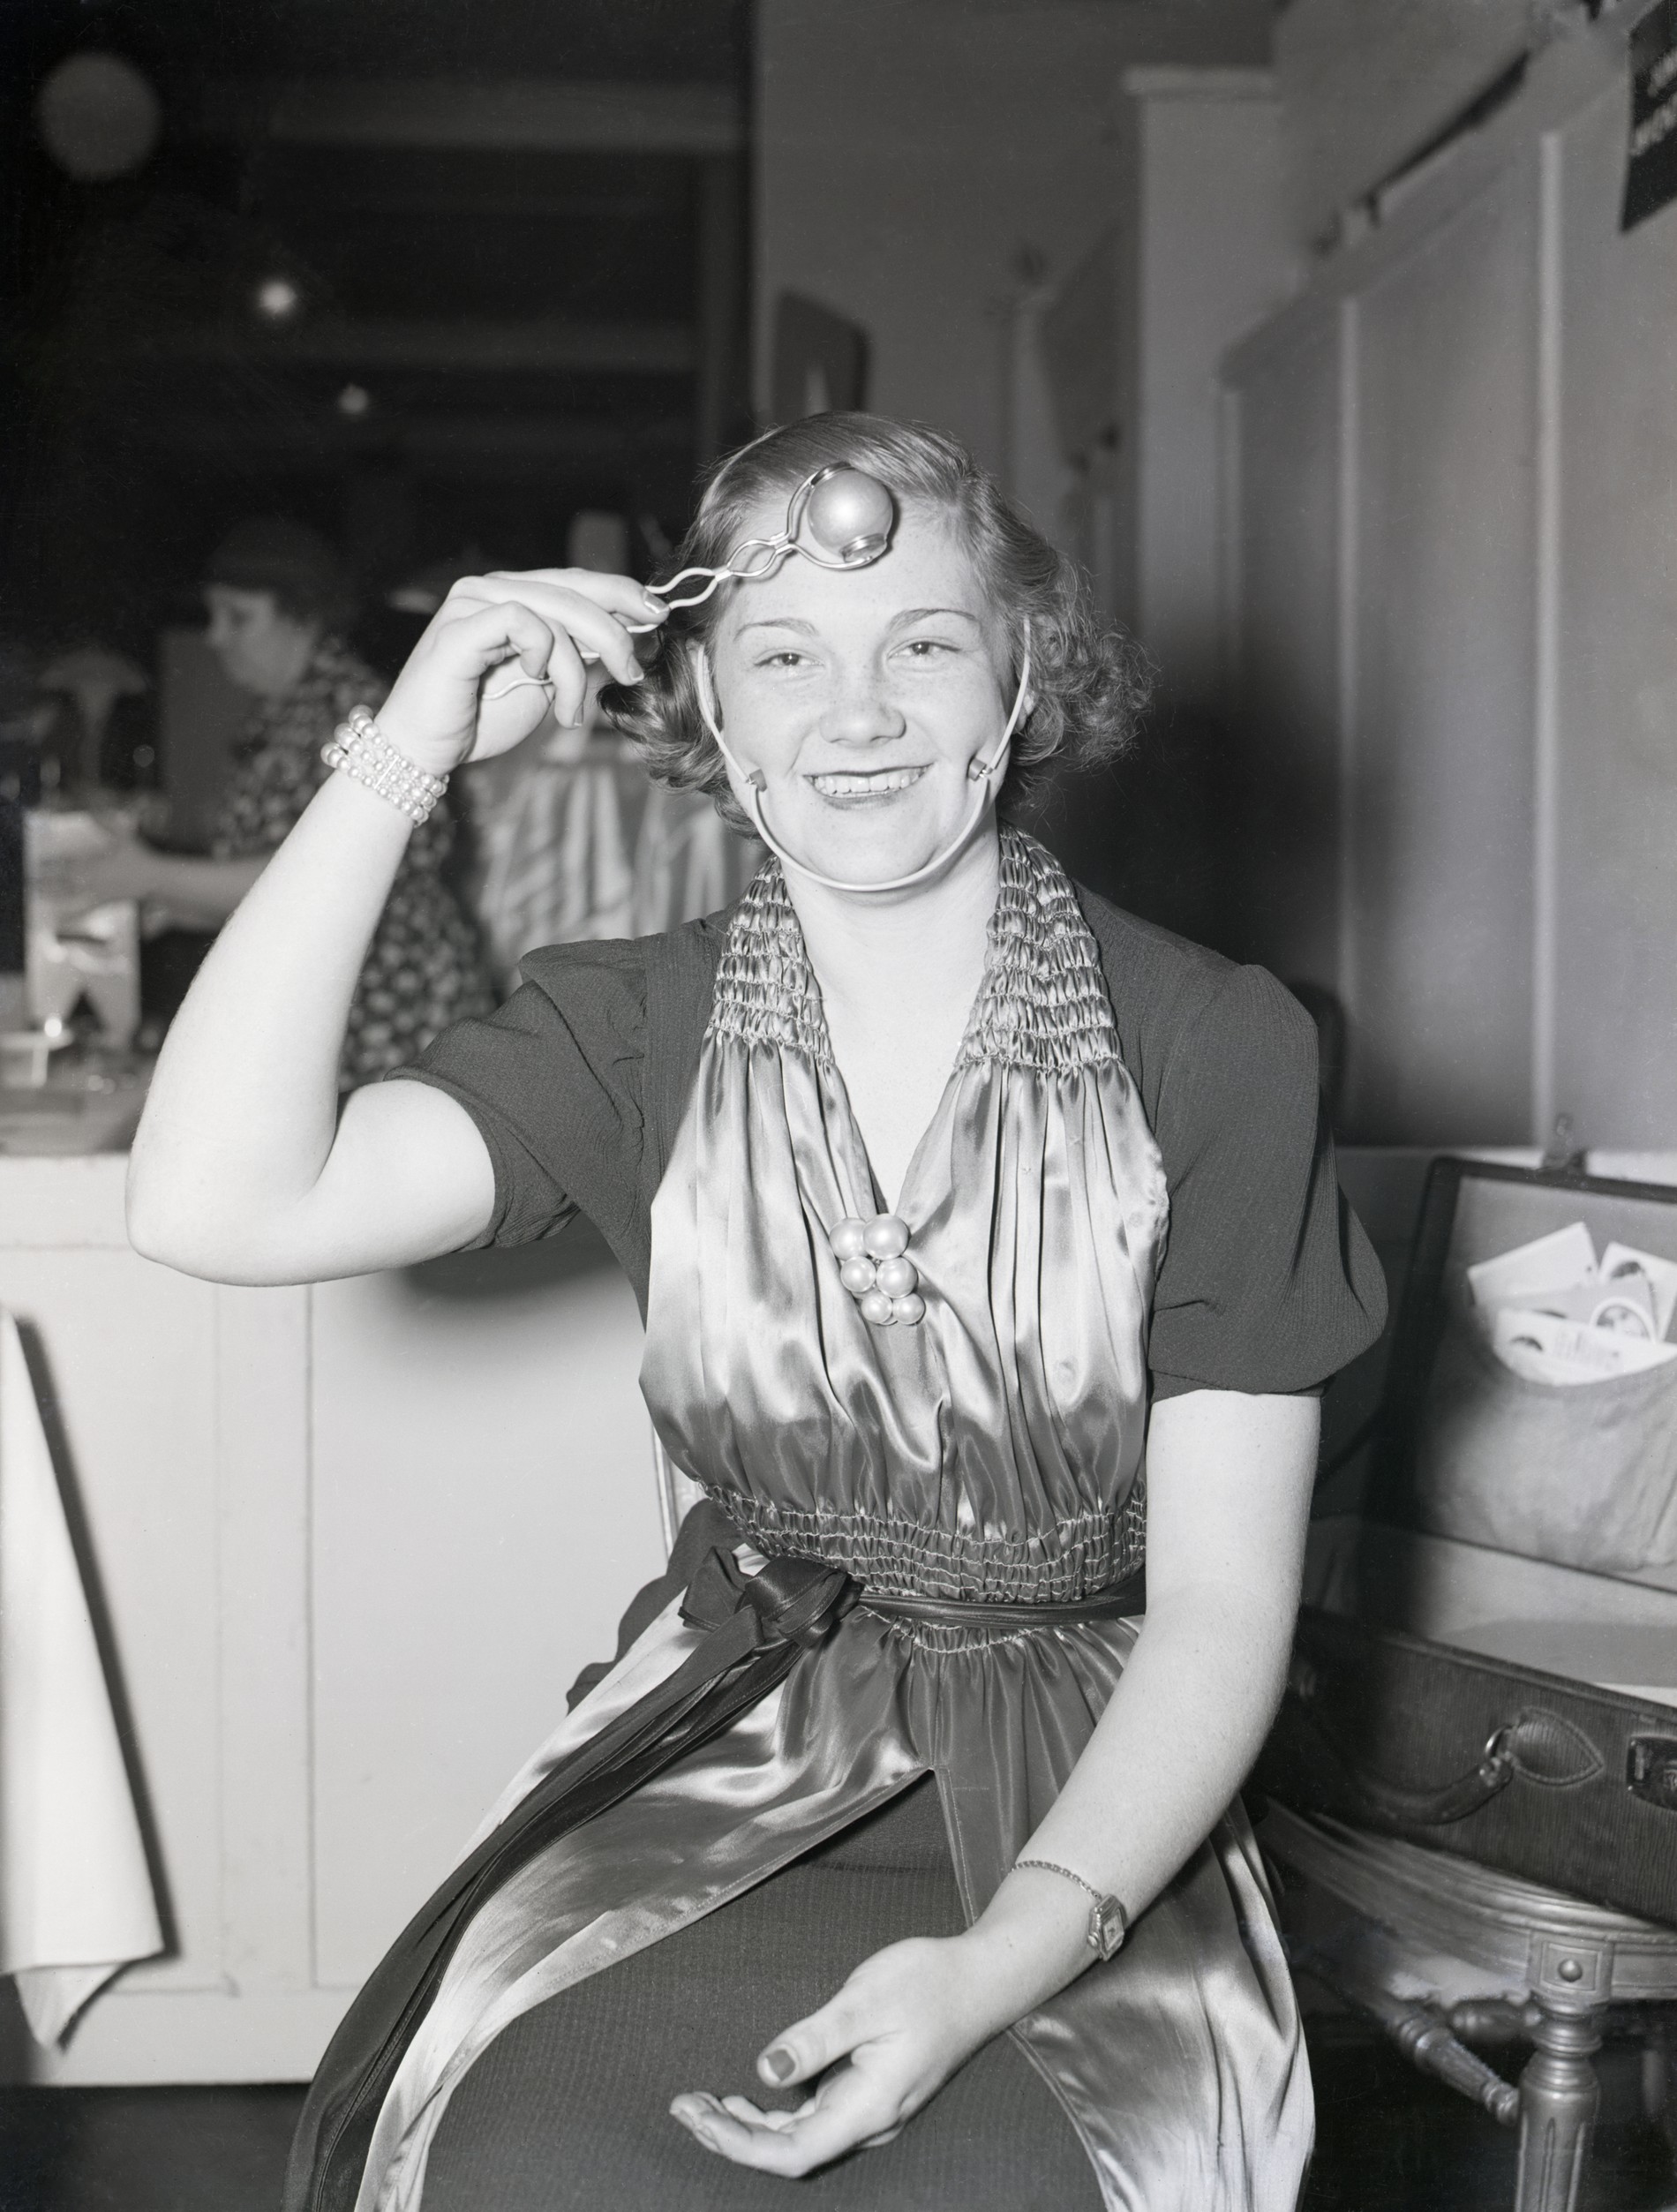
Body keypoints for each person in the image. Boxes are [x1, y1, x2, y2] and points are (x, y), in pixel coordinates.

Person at [126, 416, 1387, 2212]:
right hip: (722, 1753)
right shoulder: (629, 1025)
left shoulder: (1213, 1041)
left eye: (922, 643)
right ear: (710, 710)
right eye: (784, 657)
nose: (857, 714)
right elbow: (210, 1203)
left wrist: (997, 1964)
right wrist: (405, 747)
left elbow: (1219, 1606)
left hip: (1094, 1810)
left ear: (1019, 679)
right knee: (524, 2160)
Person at [78, 516, 493, 1082]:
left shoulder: (357, 711)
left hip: (388, 1004)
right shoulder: (287, 713)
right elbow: (273, 880)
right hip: (338, 995)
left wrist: (151, 875)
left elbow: (315, 876)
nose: (216, 637)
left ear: (304, 616)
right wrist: (173, 902)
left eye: (238, 617)